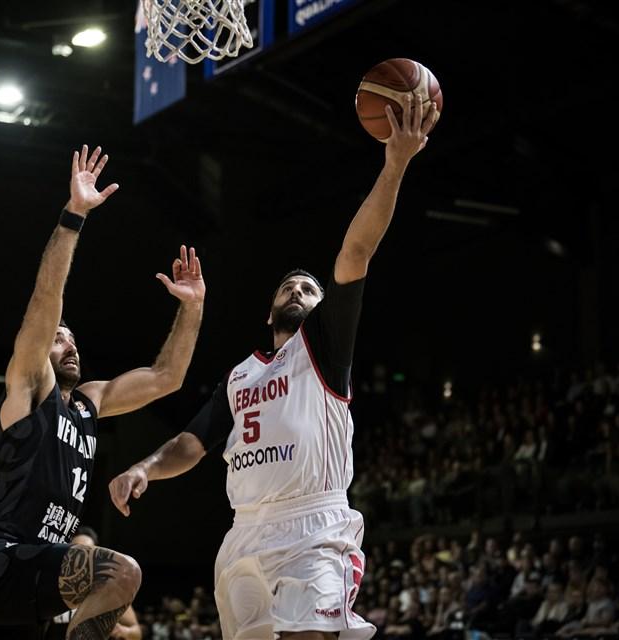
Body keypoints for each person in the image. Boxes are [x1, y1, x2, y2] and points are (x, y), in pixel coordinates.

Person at [109, 98, 438, 640]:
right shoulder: (240, 376)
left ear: (321, 307)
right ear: (269, 311)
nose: (298, 290)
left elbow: (356, 251)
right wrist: (145, 467)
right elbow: (193, 443)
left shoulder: (326, 345)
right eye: (288, 286)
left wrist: (395, 163)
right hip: (245, 534)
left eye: (309, 288)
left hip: (314, 526)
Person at [0, 144, 206, 640]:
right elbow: (46, 300)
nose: (68, 342)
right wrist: (73, 215)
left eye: (72, 337)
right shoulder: (32, 388)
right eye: (58, 337)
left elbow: (167, 377)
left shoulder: (91, 402)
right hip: (1, 561)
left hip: (44, 576)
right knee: (121, 573)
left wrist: (193, 308)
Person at [46, 527, 142, 640]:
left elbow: (136, 632)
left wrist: (123, 631)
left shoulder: (108, 590)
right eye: (77, 549)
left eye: (88, 550)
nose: (82, 556)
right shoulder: (52, 585)